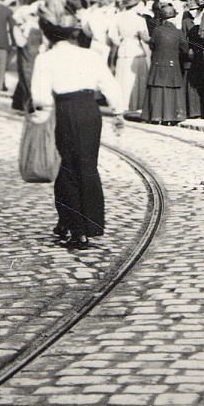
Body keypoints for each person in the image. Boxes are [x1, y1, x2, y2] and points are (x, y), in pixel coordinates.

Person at [29, 13, 126, 250]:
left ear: (49, 36)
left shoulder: (46, 58)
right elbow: (109, 84)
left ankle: (75, 229)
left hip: (64, 110)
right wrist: (118, 112)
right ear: (73, 35)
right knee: (88, 166)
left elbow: (40, 95)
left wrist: (41, 117)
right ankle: (91, 224)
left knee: (67, 169)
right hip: (89, 111)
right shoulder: (89, 55)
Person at [145, 2, 188, 125]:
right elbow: (184, 49)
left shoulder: (157, 31)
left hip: (158, 64)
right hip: (172, 64)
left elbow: (152, 45)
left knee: (157, 90)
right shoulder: (178, 32)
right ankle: (170, 117)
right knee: (171, 91)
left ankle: (156, 116)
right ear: (174, 17)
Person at [109, 0, 150, 117]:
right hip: (136, 49)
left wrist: (120, 40)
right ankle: (137, 104)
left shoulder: (117, 17)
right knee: (137, 78)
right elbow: (145, 37)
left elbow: (112, 36)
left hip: (124, 48)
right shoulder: (139, 19)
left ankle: (123, 105)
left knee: (123, 78)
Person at [10, 0, 45, 114]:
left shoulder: (28, 26)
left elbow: (21, 42)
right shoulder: (34, 25)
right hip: (33, 54)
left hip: (29, 55)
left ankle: (28, 103)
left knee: (27, 77)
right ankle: (28, 103)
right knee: (29, 78)